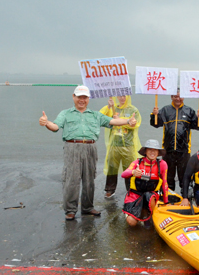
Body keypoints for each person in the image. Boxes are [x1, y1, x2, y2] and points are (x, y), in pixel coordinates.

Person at [39, 85, 137, 220]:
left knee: (89, 179)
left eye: (85, 97)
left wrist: (128, 121)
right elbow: (55, 127)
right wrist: (46, 123)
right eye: (79, 97)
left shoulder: (95, 115)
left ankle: (87, 207)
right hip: (72, 147)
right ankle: (70, 209)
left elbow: (112, 121)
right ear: (73, 97)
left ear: (88, 99)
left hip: (90, 148)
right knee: (71, 179)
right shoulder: (65, 113)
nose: (82, 100)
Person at [150, 91, 199, 192]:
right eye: (175, 96)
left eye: (180, 96)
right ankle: (169, 197)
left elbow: (197, 127)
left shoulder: (189, 111)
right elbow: (155, 124)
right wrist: (154, 115)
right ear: (171, 97)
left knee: (184, 177)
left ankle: (185, 197)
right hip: (167, 150)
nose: (177, 99)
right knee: (168, 177)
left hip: (184, 151)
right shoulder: (165, 110)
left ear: (184, 97)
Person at [99, 95, 142, 198]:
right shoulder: (114, 108)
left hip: (128, 145)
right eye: (120, 96)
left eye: (124, 96)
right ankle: (110, 189)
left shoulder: (133, 110)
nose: (122, 98)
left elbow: (135, 124)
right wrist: (108, 107)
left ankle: (131, 189)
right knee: (112, 167)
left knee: (130, 169)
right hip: (114, 144)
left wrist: (120, 120)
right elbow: (100, 117)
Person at [121, 140, 169, 227]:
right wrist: (133, 172)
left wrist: (166, 202)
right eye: (150, 149)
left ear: (158, 152)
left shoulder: (162, 164)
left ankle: (149, 216)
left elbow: (165, 183)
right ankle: (137, 213)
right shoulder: (137, 163)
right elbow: (123, 174)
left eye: (155, 150)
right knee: (131, 222)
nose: (152, 152)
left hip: (151, 196)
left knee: (149, 196)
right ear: (145, 151)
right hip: (135, 195)